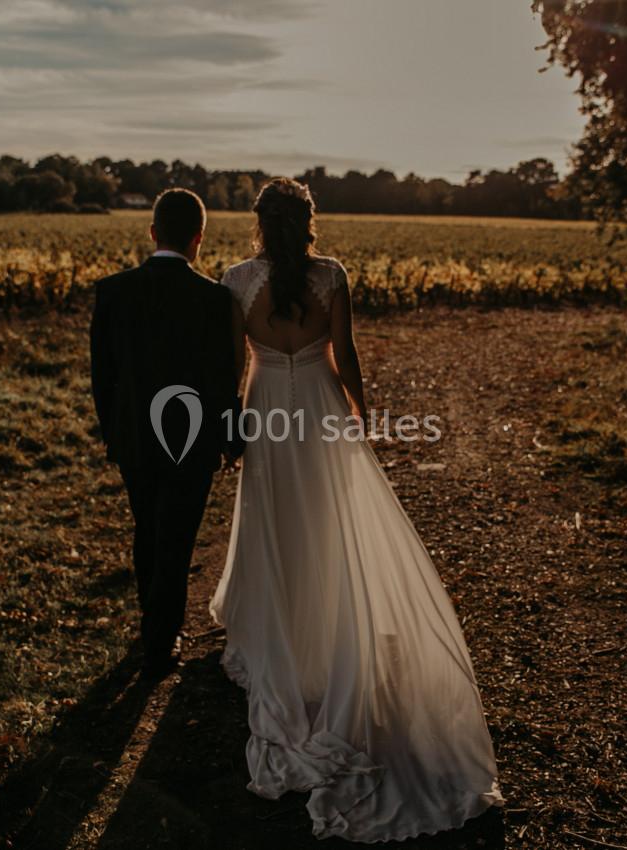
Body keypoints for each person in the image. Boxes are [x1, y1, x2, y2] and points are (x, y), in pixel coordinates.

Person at [209, 178, 504, 841]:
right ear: (309, 220)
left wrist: (233, 428)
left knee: (275, 527)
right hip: (320, 410)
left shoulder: (237, 281)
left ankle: (285, 639)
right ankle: (327, 636)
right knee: (328, 528)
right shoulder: (333, 276)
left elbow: (232, 365)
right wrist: (361, 422)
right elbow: (345, 357)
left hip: (266, 413)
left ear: (259, 223)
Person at [90, 188, 240, 679]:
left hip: (133, 436)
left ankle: (154, 626)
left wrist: (113, 431)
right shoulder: (214, 299)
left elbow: (102, 374)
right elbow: (222, 379)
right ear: (199, 238)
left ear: (152, 232)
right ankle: (161, 637)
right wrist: (231, 437)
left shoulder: (113, 291)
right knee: (176, 537)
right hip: (192, 439)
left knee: (147, 528)